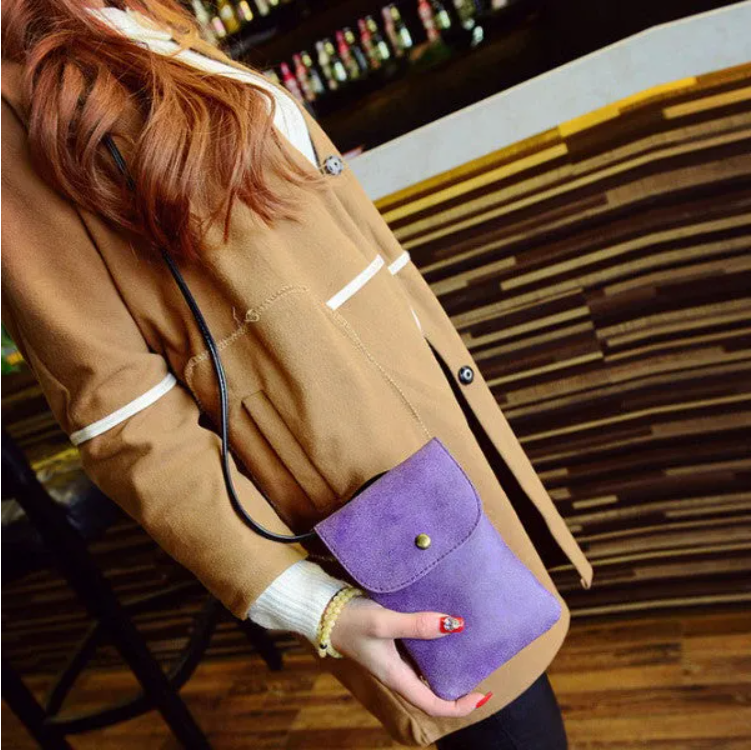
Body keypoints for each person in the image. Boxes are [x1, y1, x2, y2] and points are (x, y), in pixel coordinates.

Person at [1, 2, 594, 746]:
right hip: (373, 491)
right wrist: (310, 605)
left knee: (522, 691)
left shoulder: (141, 14)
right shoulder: (11, 101)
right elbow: (121, 412)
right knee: (509, 718)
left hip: (429, 419)